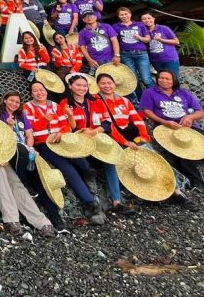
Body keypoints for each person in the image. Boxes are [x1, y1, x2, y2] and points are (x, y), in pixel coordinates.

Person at [0, 87, 56, 236]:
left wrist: (2, 156)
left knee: (15, 180)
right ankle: (11, 218)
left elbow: (1, 134)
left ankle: (41, 221)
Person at [92, 73, 194, 207]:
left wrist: (143, 135)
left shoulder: (124, 100)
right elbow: (108, 126)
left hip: (130, 136)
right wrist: (125, 142)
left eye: (109, 83)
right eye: (103, 83)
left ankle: (176, 191)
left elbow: (136, 119)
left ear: (114, 84)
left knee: (153, 158)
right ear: (97, 85)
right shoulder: (95, 101)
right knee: (111, 164)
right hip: (110, 139)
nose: (106, 86)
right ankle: (117, 201)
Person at [23, 81, 103, 223]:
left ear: (46, 91)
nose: (39, 93)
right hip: (44, 143)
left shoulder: (54, 105)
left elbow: (65, 124)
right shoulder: (27, 108)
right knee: (67, 168)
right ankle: (90, 202)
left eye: (41, 89)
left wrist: (60, 133)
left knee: (80, 158)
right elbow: (31, 129)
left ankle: (90, 183)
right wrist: (44, 119)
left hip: (61, 139)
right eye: (35, 91)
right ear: (31, 93)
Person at [59, 74, 135, 215]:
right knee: (84, 166)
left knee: (110, 161)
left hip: (97, 138)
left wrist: (94, 131)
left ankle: (116, 201)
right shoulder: (65, 104)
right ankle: (92, 199)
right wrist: (70, 116)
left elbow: (106, 123)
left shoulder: (96, 101)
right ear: (70, 86)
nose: (82, 88)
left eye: (84, 85)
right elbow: (68, 128)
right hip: (78, 141)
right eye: (78, 85)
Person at [0, 91, 65, 232]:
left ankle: (56, 220)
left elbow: (29, 135)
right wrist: (9, 126)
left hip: (25, 153)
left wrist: (30, 147)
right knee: (20, 152)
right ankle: (25, 182)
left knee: (41, 181)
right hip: (8, 152)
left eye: (17, 102)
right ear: (4, 100)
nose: (14, 104)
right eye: (11, 100)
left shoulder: (21, 115)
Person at [113, 7, 153, 101]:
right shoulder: (116, 26)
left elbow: (148, 39)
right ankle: (141, 100)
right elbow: (114, 41)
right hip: (125, 55)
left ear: (130, 14)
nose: (124, 16)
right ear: (118, 16)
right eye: (121, 14)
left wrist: (140, 38)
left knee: (146, 79)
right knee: (133, 79)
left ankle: (154, 98)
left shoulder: (139, 25)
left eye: (126, 14)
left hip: (141, 54)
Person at [140, 13, 181, 78]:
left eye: (149, 18)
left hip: (169, 59)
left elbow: (176, 42)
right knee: (162, 80)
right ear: (141, 21)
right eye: (144, 19)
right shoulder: (143, 32)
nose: (147, 20)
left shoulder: (163, 28)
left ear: (153, 18)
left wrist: (161, 40)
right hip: (155, 60)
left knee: (173, 79)